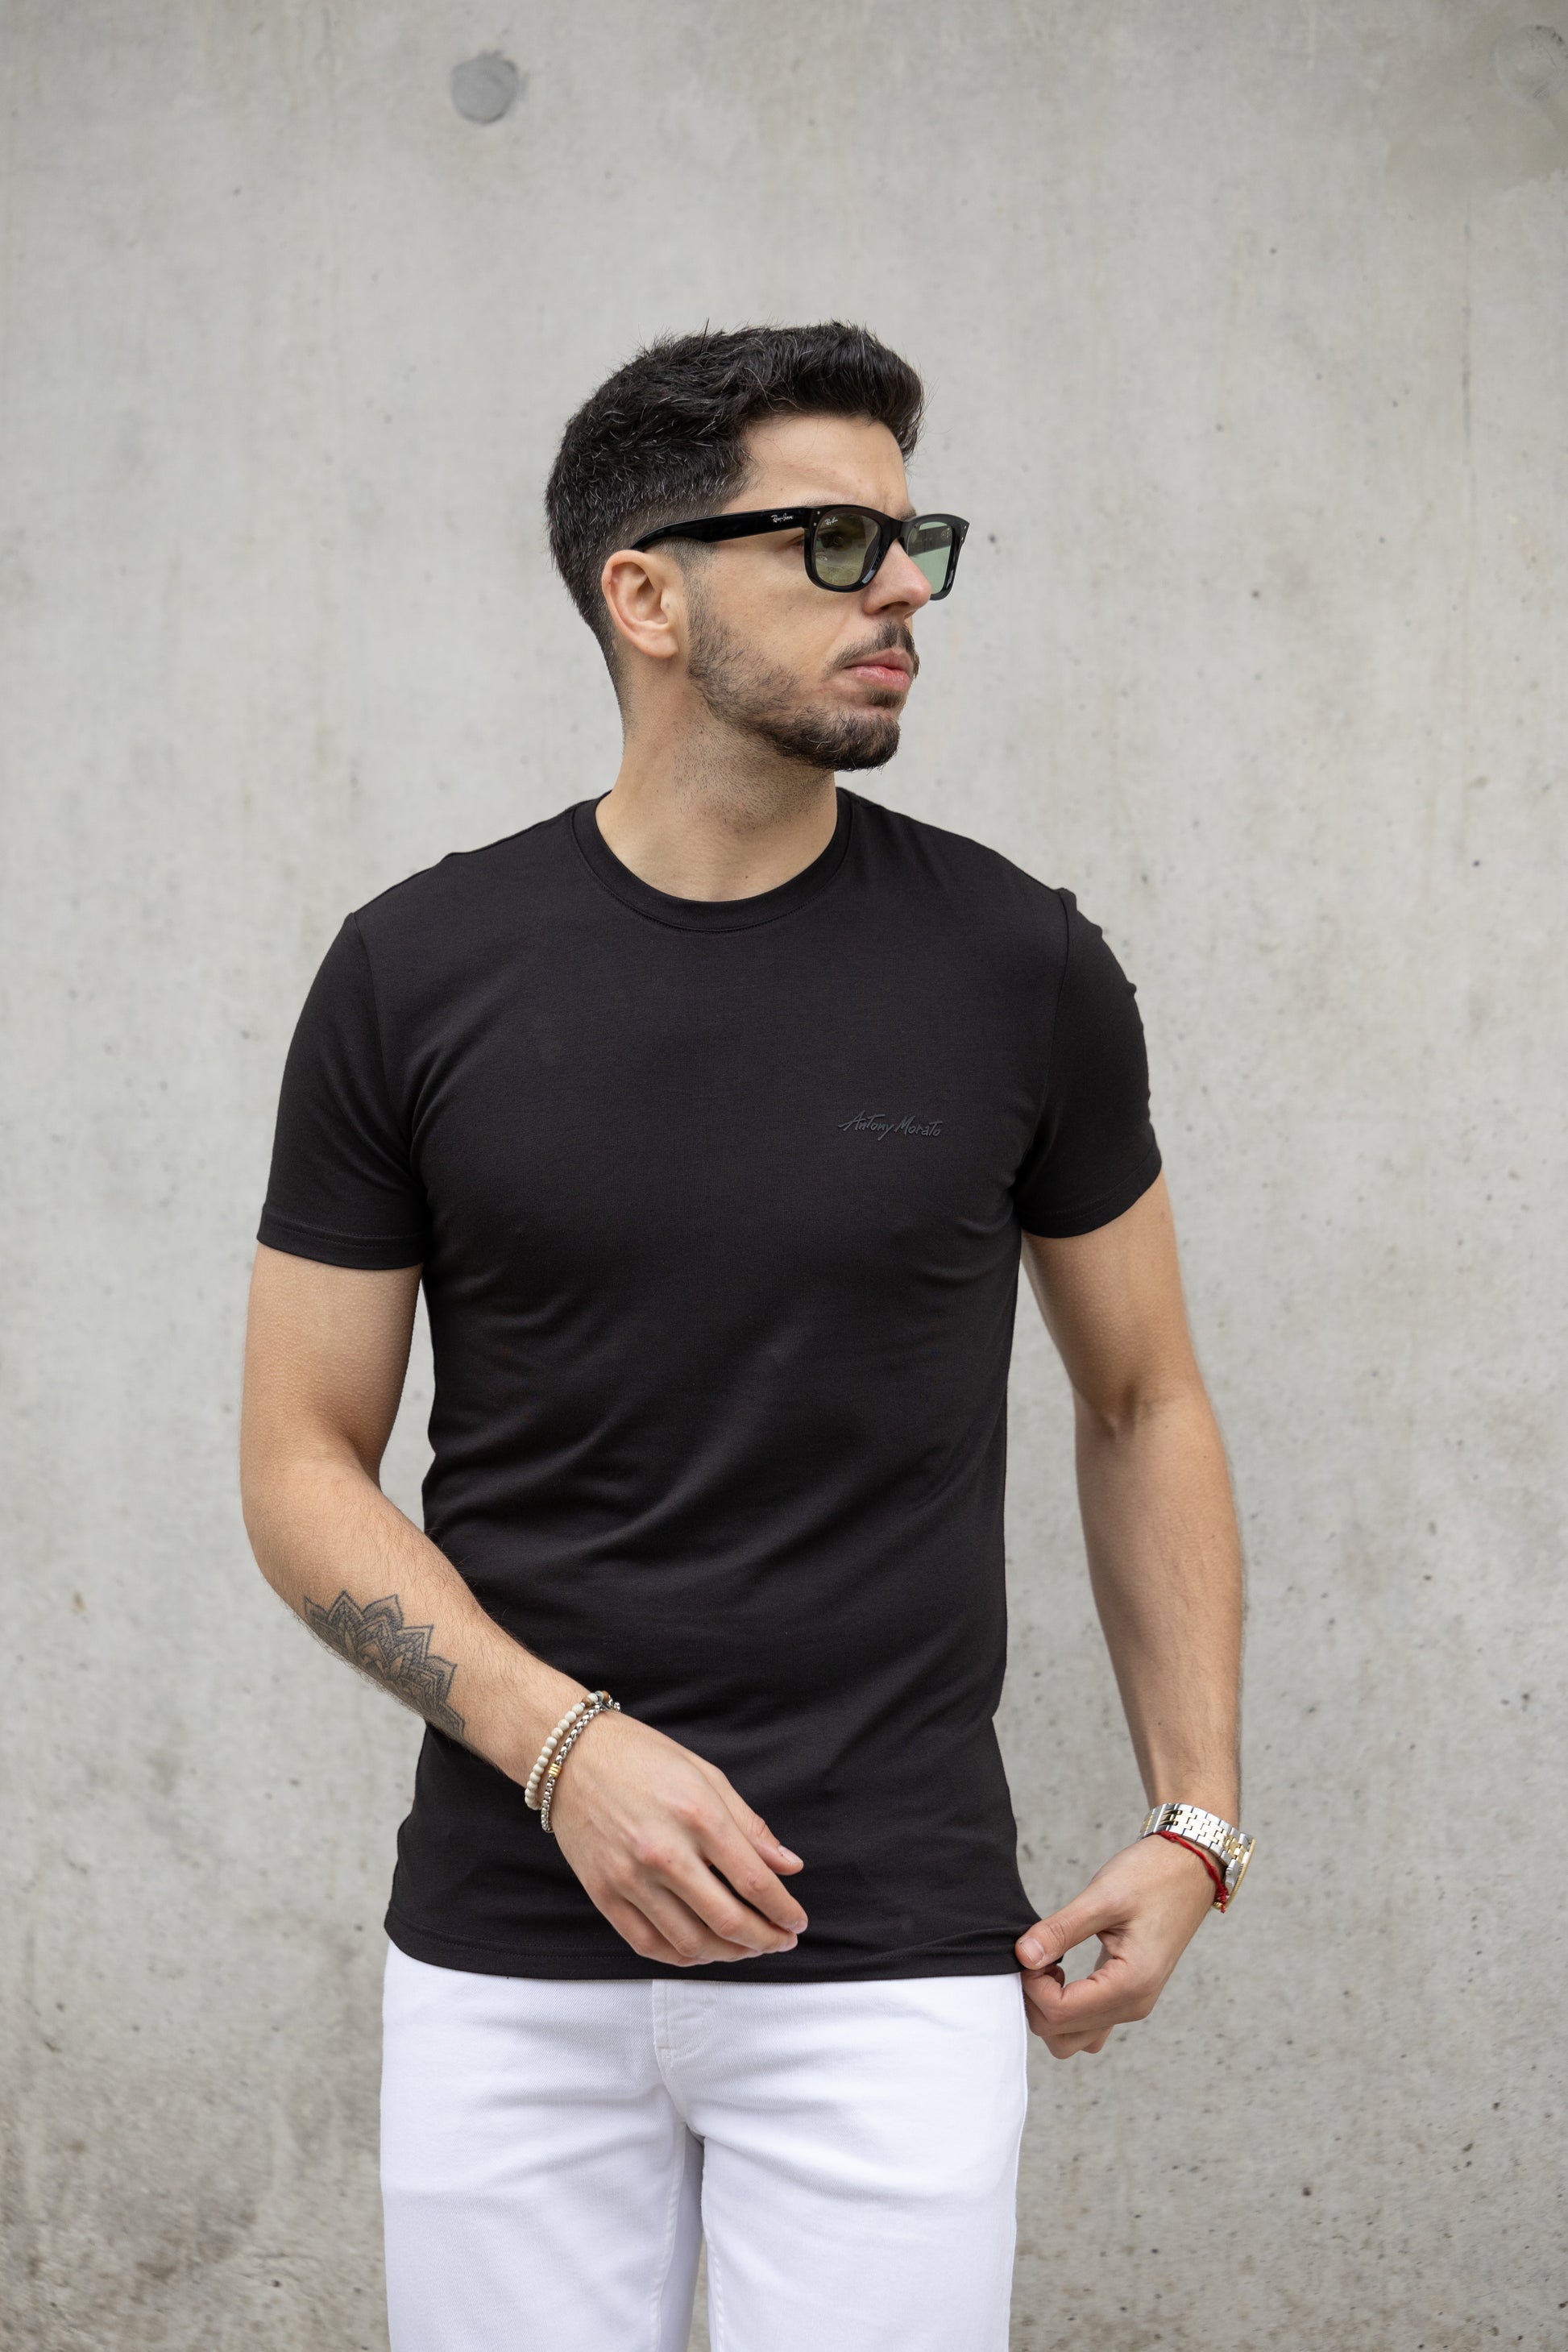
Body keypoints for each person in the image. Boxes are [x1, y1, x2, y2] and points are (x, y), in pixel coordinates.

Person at [240, 321, 1252, 2352]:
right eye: (834, 540)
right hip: (513, 1950)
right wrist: (563, 1748)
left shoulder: (1020, 965)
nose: (903, 592)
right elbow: (298, 1460)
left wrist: (1194, 1820)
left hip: (890, 1949)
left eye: (915, 540)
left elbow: (1143, 1397)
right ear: (646, 593)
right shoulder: (412, 974)